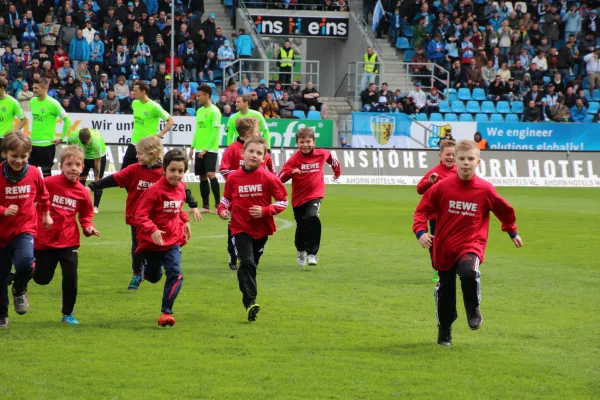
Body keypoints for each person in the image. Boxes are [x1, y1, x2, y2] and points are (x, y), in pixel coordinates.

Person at [413, 140, 523, 346]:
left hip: (471, 243)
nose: (466, 163)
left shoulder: (485, 189)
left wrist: (512, 232)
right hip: (444, 245)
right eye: (462, 159)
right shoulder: (442, 187)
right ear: (454, 160)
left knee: (468, 271)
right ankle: (444, 331)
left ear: (478, 161)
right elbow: (422, 210)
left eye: (470, 159)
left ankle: (473, 309)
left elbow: (504, 211)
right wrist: (420, 232)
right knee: (445, 290)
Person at [87, 136, 200, 291]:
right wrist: (92, 186)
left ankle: (153, 268)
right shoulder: (134, 170)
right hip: (138, 218)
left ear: (152, 154)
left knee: (159, 252)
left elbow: (182, 189)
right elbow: (114, 179)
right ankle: (137, 273)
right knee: (137, 248)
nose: (136, 156)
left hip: (162, 219)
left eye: (140, 153)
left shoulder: (166, 172)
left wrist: (192, 205)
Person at [217, 137, 288, 322]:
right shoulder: (233, 177)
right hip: (239, 227)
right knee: (247, 262)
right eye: (251, 151)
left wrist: (266, 210)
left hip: (262, 230)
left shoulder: (269, 178)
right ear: (243, 153)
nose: (254, 155)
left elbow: (283, 201)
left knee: (251, 264)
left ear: (264, 158)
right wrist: (222, 209)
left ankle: (250, 297)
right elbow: (226, 199)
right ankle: (251, 302)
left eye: (259, 153)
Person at [32, 145, 100, 325]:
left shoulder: (83, 192)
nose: (73, 168)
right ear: (61, 166)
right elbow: (31, 201)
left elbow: (86, 214)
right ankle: (27, 270)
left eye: (78, 164)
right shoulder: (48, 184)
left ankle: (68, 313)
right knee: (42, 279)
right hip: (44, 241)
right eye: (69, 164)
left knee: (71, 276)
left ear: (83, 167)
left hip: (69, 241)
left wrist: (88, 227)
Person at [134, 149, 194, 327]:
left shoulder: (182, 188)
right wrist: (152, 229)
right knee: (154, 277)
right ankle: (146, 270)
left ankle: (166, 312)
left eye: (180, 171)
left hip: (172, 240)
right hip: (152, 243)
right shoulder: (154, 191)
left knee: (175, 273)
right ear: (164, 169)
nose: (176, 175)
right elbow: (140, 215)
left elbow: (178, 208)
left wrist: (185, 220)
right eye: (173, 170)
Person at [0, 132, 52, 329]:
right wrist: (4, 211)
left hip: (25, 228)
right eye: (14, 156)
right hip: (1, 233)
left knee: (25, 262)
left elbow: (43, 194)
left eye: (23, 156)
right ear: (5, 153)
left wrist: (46, 213)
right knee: (1, 276)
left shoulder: (33, 173)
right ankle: (2, 314)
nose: (19, 161)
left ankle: (20, 288)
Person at [278, 128, 341, 267]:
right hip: (298, 198)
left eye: (308, 141)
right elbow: (279, 178)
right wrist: (290, 172)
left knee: (312, 218)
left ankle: (312, 253)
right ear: (297, 143)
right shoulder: (294, 159)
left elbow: (333, 161)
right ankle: (300, 250)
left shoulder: (322, 153)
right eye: (302, 142)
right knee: (301, 226)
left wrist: (337, 172)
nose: (305, 144)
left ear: (314, 142)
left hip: (315, 195)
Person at [220, 117, 275, 271]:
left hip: (258, 195)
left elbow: (270, 168)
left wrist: (270, 177)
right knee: (234, 225)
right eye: (257, 130)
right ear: (249, 133)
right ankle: (232, 253)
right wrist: (241, 174)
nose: (259, 133)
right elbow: (223, 170)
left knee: (256, 225)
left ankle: (252, 253)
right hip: (237, 194)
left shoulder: (260, 150)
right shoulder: (232, 148)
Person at [416, 139, 456, 283]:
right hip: (437, 218)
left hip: (456, 216)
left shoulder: (461, 172)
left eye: (453, 154)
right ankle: (438, 270)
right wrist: (429, 182)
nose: (451, 157)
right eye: (448, 155)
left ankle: (456, 268)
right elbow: (419, 189)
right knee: (436, 246)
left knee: (455, 244)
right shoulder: (434, 173)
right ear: (440, 156)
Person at [121, 81, 174, 170]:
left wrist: (160, 135)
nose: (133, 92)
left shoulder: (154, 106)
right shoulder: (135, 103)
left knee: (145, 174)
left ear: (143, 92)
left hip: (147, 147)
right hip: (134, 143)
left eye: (136, 90)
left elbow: (171, 120)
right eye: (133, 90)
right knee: (124, 172)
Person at [29, 78, 73, 178]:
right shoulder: (32, 101)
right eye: (33, 88)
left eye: (36, 88)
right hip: (33, 143)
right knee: (30, 174)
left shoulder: (53, 103)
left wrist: (61, 137)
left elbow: (67, 120)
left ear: (44, 88)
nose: (34, 90)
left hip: (47, 144)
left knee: (46, 174)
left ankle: (47, 194)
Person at [188, 84, 221, 214]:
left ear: (207, 95)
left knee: (210, 174)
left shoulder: (215, 111)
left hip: (210, 150)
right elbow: (197, 131)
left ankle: (218, 205)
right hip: (199, 149)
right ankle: (205, 206)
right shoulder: (200, 111)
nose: (197, 98)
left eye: (199, 96)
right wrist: (192, 147)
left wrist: (206, 149)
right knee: (202, 176)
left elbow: (215, 133)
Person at [66, 128, 107, 213]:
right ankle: (80, 204)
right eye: (84, 143)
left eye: (87, 143)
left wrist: (96, 178)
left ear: (90, 138)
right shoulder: (72, 138)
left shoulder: (96, 143)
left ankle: (95, 206)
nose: (87, 145)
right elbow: (69, 151)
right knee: (80, 180)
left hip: (98, 156)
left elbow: (97, 161)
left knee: (98, 181)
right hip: (83, 156)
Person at [0, 78, 28, 161]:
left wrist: (12, 132)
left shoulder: (13, 102)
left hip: (4, 139)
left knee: (3, 166)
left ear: (2, 89)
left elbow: (23, 120)